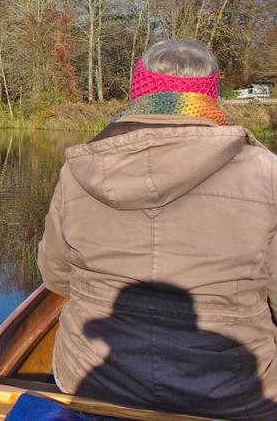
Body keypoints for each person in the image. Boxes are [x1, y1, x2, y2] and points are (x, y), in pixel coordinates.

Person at [37, 40, 277, 419]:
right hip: (231, 392)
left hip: (95, 379)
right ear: (209, 95)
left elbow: (55, 277)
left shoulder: (78, 171)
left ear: (140, 91)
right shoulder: (267, 172)